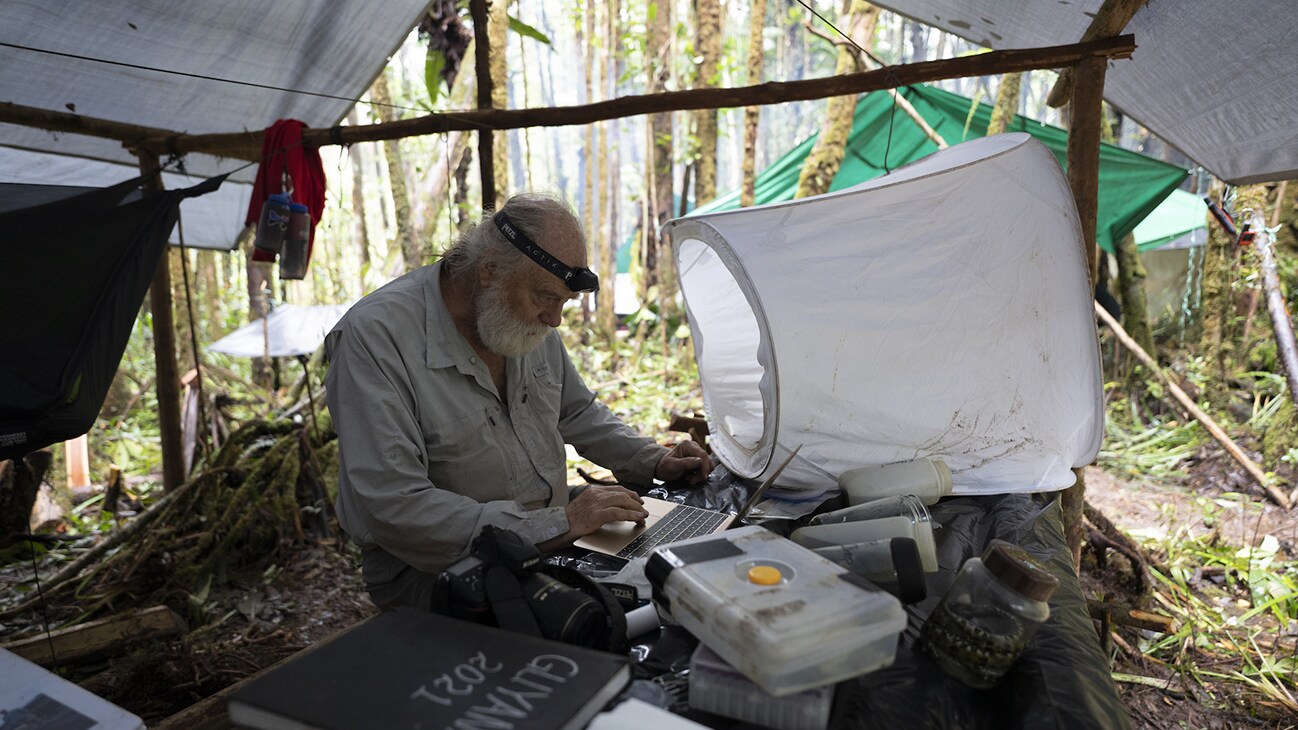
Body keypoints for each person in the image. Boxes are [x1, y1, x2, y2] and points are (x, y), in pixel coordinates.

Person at [324, 192, 712, 610]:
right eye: (546, 297)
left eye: (563, 303)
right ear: (489, 271)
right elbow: (395, 504)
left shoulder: (518, 318)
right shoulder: (375, 339)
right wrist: (560, 522)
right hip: (440, 578)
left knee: (680, 588)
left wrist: (652, 459)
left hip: (547, 543)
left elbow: (576, 410)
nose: (554, 319)